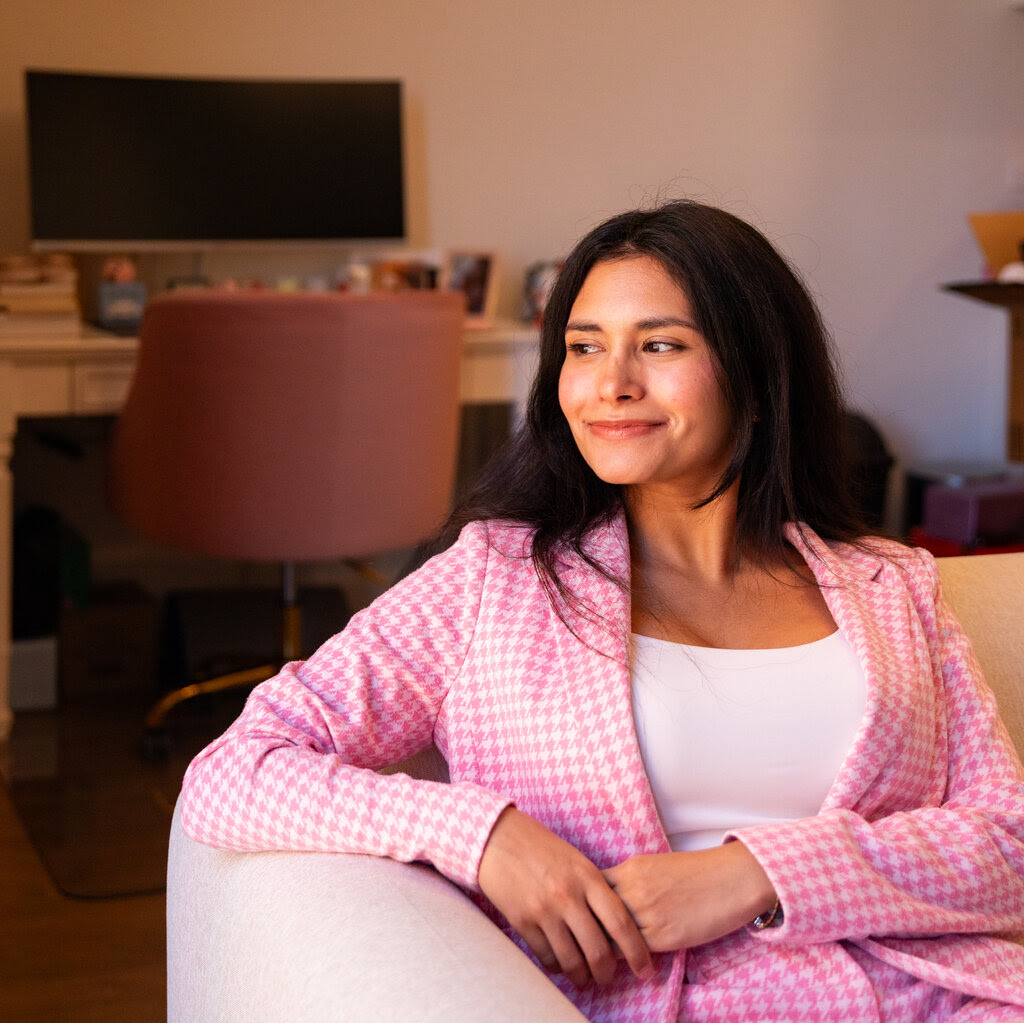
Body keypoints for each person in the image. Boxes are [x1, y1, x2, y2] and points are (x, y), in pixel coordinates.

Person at [179, 200, 1024, 1021]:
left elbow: (1009, 847)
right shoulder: (492, 580)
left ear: (759, 377)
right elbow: (237, 769)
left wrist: (757, 874)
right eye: (584, 347)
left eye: (659, 344)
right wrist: (484, 835)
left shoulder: (894, 586)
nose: (611, 384)